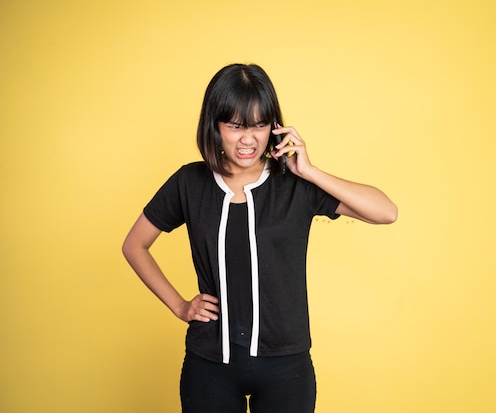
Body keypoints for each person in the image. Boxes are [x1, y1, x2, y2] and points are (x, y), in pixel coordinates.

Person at [122, 63, 397, 413]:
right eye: (235, 126)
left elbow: (386, 211)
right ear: (214, 125)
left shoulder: (295, 185)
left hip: (286, 366)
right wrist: (180, 306)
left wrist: (309, 170)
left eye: (259, 126)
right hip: (210, 364)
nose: (248, 139)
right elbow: (134, 245)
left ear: (274, 126)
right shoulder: (190, 183)